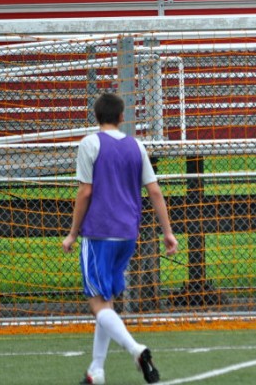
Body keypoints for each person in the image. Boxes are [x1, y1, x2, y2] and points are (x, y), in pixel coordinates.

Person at [62, 92, 179, 385]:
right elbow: (154, 191)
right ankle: (96, 370)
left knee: (97, 305)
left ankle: (136, 349)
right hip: (127, 234)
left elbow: (85, 191)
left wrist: (73, 233)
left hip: (98, 232)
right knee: (107, 302)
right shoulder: (136, 146)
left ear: (96, 116)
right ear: (122, 117)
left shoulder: (90, 143)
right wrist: (167, 232)